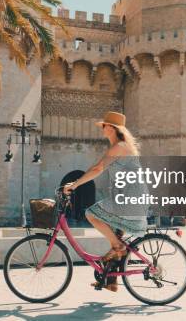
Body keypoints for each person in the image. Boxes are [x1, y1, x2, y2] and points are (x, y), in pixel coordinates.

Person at [63, 111, 150, 292]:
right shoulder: (120, 146)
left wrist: (75, 184)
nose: (102, 128)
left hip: (130, 198)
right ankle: (111, 282)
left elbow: (98, 168)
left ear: (111, 128)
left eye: (104, 126)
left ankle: (118, 247)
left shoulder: (120, 146)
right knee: (115, 238)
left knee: (91, 214)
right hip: (129, 196)